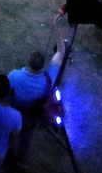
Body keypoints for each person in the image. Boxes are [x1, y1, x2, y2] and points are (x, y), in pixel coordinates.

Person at [7, 32, 67, 166]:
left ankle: (7, 153)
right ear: (42, 66)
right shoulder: (49, 78)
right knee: (26, 140)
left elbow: (6, 93)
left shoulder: (14, 76)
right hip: (32, 115)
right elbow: (61, 52)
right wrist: (56, 28)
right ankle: (22, 163)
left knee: (9, 135)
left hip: (14, 111)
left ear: (28, 61)